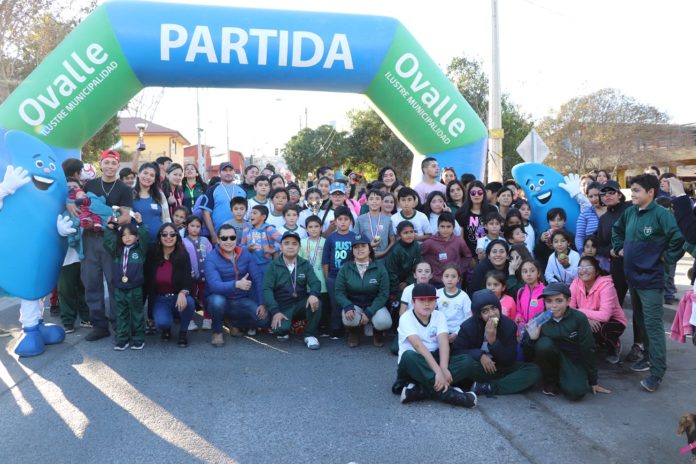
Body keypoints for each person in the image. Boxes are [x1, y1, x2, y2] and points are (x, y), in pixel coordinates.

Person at [612, 174, 684, 392]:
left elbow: (678, 239)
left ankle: (657, 373)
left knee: (653, 327)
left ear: (650, 192)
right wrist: (618, 248)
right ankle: (647, 357)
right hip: (633, 278)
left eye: (636, 190)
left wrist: (666, 259)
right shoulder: (630, 212)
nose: (632, 194)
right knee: (641, 322)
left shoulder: (662, 214)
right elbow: (617, 230)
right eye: (631, 190)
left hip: (651, 280)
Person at [393, 283, 478, 408]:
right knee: (408, 356)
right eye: (422, 300)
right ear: (413, 302)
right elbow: (418, 346)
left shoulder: (439, 316)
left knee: (467, 361)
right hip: (416, 362)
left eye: (431, 300)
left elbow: (443, 342)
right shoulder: (406, 318)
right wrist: (438, 371)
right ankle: (451, 395)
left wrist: (443, 368)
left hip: (435, 358)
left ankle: (420, 391)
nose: (427, 304)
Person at [523, 282, 611, 400]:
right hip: (550, 358)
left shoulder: (579, 318)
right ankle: (551, 381)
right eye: (549, 301)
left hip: (572, 359)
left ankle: (568, 377)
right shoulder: (539, 320)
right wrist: (532, 340)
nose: (554, 306)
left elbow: (588, 348)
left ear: (568, 301)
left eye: (559, 301)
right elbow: (527, 354)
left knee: (576, 393)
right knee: (543, 345)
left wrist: (593, 380)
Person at [82, 149, 133, 341]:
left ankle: (118, 324)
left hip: (112, 239)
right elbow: (82, 207)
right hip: (89, 239)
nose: (110, 166)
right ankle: (99, 325)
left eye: (114, 163)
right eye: (107, 162)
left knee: (114, 283)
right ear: (100, 164)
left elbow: (126, 216)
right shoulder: (90, 185)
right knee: (91, 283)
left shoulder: (124, 189)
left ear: (118, 165)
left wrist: (108, 222)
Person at [452, 289, 541, 396]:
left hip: (500, 368)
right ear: (479, 314)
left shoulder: (509, 326)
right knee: (466, 363)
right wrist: (480, 355)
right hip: (478, 368)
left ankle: (488, 387)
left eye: (494, 308)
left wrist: (493, 342)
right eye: (485, 311)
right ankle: (504, 384)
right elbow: (457, 352)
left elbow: (509, 360)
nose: (491, 314)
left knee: (534, 370)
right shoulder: (468, 327)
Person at [204, 224, 268, 346]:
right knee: (217, 302)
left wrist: (261, 303)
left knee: (263, 320)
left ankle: (231, 322)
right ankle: (217, 330)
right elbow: (214, 286)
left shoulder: (244, 253)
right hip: (218, 299)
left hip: (240, 300)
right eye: (224, 238)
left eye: (232, 238)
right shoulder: (211, 258)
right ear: (218, 240)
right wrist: (237, 284)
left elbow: (258, 277)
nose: (229, 241)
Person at [264, 231, 322, 349]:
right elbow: (267, 289)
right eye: (286, 243)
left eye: (294, 244)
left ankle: (309, 335)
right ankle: (286, 325)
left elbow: (315, 282)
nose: (290, 246)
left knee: (318, 302)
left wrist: (313, 294)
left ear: (299, 247)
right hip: (282, 307)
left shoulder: (304, 264)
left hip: (300, 304)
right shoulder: (273, 265)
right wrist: (275, 311)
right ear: (281, 247)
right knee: (280, 330)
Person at [144, 223, 196, 347]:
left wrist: (183, 292)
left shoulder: (183, 254)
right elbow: (147, 279)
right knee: (162, 323)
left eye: (172, 234)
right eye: (164, 234)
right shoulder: (152, 254)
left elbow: (188, 278)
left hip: (178, 296)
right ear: (159, 237)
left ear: (177, 236)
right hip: (160, 298)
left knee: (189, 302)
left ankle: (183, 333)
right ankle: (166, 329)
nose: (169, 237)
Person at [335, 235, 391, 347]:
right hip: (354, 304)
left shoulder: (380, 268)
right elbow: (339, 292)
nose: (359, 249)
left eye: (363, 246)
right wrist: (347, 306)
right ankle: (353, 332)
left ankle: (378, 332)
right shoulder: (345, 268)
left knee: (384, 322)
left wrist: (370, 312)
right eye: (356, 247)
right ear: (352, 251)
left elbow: (383, 294)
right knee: (349, 318)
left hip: (374, 304)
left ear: (369, 249)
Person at [569, 256, 627, 364]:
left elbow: (605, 315)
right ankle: (596, 344)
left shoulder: (606, 286)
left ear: (596, 271)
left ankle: (614, 346)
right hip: (589, 318)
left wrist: (580, 312)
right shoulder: (576, 283)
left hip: (613, 321)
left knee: (602, 329)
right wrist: (585, 319)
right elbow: (569, 308)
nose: (584, 270)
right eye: (580, 267)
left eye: (588, 267)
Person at [104, 218, 149, 350]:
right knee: (121, 314)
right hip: (120, 287)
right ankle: (122, 339)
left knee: (137, 313)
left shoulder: (140, 250)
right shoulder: (117, 251)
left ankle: (138, 338)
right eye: (124, 235)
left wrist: (141, 223)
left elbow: (145, 236)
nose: (127, 237)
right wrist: (109, 228)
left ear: (137, 236)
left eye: (130, 234)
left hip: (135, 288)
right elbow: (107, 242)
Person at [322, 206, 357, 339]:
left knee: (348, 300)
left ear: (351, 221)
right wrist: (327, 278)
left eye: (346, 219)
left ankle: (350, 328)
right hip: (333, 276)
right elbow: (325, 259)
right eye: (340, 219)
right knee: (335, 303)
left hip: (350, 276)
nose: (343, 222)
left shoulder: (355, 237)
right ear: (335, 222)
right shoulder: (331, 238)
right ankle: (335, 328)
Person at [420, 213, 472, 288]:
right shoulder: (429, 242)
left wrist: (459, 269)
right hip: (435, 282)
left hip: (454, 281)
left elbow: (467, 256)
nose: (445, 230)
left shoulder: (459, 242)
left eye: (448, 227)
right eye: (442, 226)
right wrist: (427, 271)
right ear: (438, 227)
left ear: (453, 227)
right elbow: (419, 256)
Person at [201, 161, 246, 244]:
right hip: (220, 236)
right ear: (219, 173)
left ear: (234, 172)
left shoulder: (242, 190)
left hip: (241, 236)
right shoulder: (212, 190)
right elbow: (205, 213)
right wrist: (213, 234)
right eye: (225, 170)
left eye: (230, 170)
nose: (228, 173)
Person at [182, 215, 213, 331]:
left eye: (198, 226)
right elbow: (183, 259)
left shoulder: (205, 241)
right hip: (190, 277)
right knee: (189, 297)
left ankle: (207, 318)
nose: (195, 229)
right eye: (192, 226)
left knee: (205, 297)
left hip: (206, 277)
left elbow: (211, 257)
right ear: (186, 226)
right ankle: (189, 320)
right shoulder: (183, 242)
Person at [299, 215, 329, 336]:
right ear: (306, 229)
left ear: (321, 228)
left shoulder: (326, 242)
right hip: (307, 279)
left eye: (316, 226)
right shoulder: (302, 242)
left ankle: (324, 327)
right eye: (310, 227)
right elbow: (299, 261)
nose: (313, 229)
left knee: (324, 303)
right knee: (310, 303)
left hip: (322, 277)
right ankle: (312, 327)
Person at [455, 180, 498, 258]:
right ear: (469, 194)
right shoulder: (461, 213)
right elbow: (461, 239)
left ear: (484, 194)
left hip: (492, 253)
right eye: (473, 193)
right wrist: (468, 256)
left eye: (480, 192)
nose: (476, 195)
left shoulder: (492, 210)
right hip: (470, 255)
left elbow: (497, 231)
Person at [131, 162, 170, 245]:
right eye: (145, 173)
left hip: (159, 243)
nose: (148, 177)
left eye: (152, 175)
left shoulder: (160, 195)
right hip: (137, 245)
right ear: (138, 174)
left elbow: (166, 218)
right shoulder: (130, 194)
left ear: (155, 179)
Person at [385, 221, 422, 303]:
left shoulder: (416, 246)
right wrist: (395, 290)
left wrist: (408, 282)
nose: (409, 235)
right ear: (399, 235)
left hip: (410, 281)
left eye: (411, 232)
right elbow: (391, 272)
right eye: (405, 233)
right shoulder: (396, 250)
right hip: (395, 285)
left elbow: (417, 266)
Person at [354, 189, 395, 260]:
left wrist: (384, 252)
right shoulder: (360, 219)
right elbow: (355, 239)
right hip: (365, 258)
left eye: (377, 199)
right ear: (366, 202)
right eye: (371, 199)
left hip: (383, 259)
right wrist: (369, 246)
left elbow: (392, 241)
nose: (374, 201)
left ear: (381, 202)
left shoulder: (388, 219)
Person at [436, 265, 472, 343]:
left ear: (458, 279)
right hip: (440, 331)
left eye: (453, 276)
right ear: (442, 278)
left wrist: (456, 333)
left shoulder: (464, 296)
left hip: (459, 332)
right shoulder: (437, 293)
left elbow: (468, 317)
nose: (450, 279)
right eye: (446, 276)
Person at [240, 205, 281, 273]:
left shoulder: (269, 229)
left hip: (266, 266)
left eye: (255, 213)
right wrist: (247, 248)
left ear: (263, 217)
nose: (251, 215)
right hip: (249, 266)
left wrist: (273, 249)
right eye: (251, 213)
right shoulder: (246, 230)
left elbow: (285, 241)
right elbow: (241, 246)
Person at [575, 181, 606, 252]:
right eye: (590, 196)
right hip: (592, 256)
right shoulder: (584, 215)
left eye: (596, 195)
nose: (594, 199)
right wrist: (581, 252)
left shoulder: (611, 211)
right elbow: (579, 237)